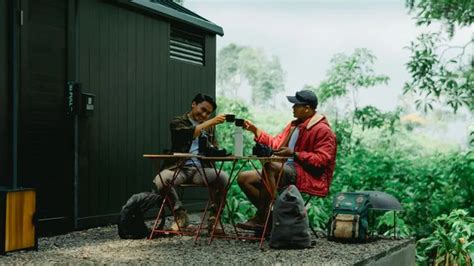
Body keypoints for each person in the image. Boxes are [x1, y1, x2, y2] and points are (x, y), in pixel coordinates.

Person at [236, 90, 337, 230]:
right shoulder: (294, 125)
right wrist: (255, 131)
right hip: (284, 169)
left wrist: (295, 154)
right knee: (244, 178)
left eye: (296, 105)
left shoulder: (322, 130)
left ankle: (262, 218)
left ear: (307, 108)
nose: (292, 108)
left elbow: (322, 160)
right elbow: (276, 144)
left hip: (306, 174)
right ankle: (274, 217)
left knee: (270, 166)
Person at [153, 93, 229, 231]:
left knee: (223, 177)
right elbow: (187, 134)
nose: (205, 115)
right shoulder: (178, 121)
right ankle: (179, 214)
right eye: (203, 109)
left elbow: (214, 145)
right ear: (193, 104)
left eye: (208, 113)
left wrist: (216, 150)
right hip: (179, 167)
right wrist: (210, 122)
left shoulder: (210, 127)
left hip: (201, 168)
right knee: (160, 180)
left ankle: (214, 217)